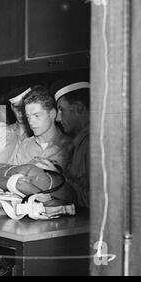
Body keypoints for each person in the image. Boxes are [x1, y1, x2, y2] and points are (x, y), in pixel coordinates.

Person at [51, 80, 90, 208]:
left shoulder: (93, 144)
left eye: (61, 110)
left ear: (78, 108)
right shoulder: (79, 142)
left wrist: (58, 179)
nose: (58, 118)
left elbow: (95, 199)